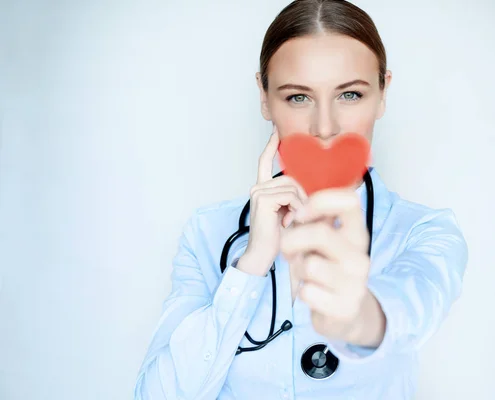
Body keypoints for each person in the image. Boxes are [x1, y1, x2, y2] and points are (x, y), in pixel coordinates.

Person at [134, 0, 468, 399]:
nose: (324, 127)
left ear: (382, 93)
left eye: (350, 95)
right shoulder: (208, 233)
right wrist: (252, 264)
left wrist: (356, 316)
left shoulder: (423, 231)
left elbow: (412, 308)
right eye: (298, 97)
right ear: (264, 96)